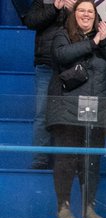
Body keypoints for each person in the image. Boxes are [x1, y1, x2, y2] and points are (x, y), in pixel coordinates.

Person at [46, 0, 106, 218]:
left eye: (90, 11)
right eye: (82, 11)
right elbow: (61, 56)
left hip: (96, 111)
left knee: (91, 162)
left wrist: (104, 40)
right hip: (67, 110)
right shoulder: (63, 34)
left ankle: (89, 207)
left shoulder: (104, 38)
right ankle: (63, 206)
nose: (86, 15)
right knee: (66, 159)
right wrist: (93, 42)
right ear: (74, 14)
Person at [17, 0, 70, 170]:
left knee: (72, 114)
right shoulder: (45, 1)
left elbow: (91, 25)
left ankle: (68, 159)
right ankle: (40, 157)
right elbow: (31, 21)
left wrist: (75, 9)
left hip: (74, 64)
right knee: (42, 113)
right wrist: (54, 7)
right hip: (47, 63)